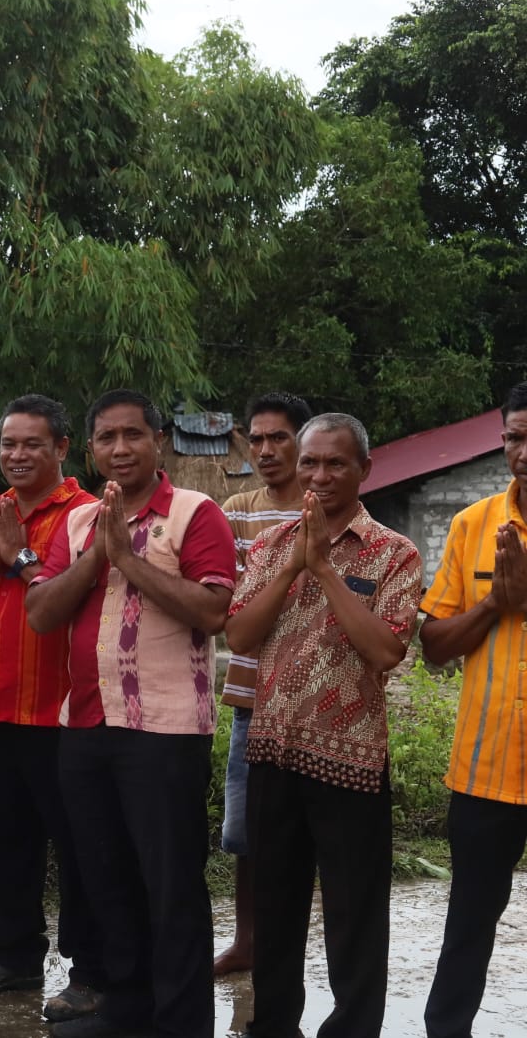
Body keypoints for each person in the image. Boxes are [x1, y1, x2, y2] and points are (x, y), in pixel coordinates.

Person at [26, 389, 236, 1038]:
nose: (121, 449)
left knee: (171, 889)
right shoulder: (79, 524)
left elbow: (210, 612)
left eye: (133, 435)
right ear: (90, 451)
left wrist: (128, 561)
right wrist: (100, 553)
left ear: (159, 442)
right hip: (86, 728)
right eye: (108, 438)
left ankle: (180, 1024)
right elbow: (41, 613)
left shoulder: (196, 515)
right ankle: (127, 1012)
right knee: (105, 882)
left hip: (165, 734)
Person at [227, 413, 420, 1038]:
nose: (320, 474)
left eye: (336, 463)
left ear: (364, 469)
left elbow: (386, 651)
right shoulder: (271, 548)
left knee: (354, 910)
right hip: (272, 751)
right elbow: (239, 636)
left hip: (352, 759)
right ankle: (274, 1025)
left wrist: (328, 571)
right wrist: (294, 567)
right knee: (276, 906)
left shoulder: (395, 553)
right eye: (310, 461)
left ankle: (353, 1027)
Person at [0, 394, 103, 1022]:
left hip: (64, 713)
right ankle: (14, 956)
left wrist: (19, 559)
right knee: (7, 843)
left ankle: (91, 970)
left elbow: (73, 593)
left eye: (31, 444)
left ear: (62, 448)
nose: (16, 455)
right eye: (8, 444)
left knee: (77, 847)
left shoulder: (88, 515)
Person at [422, 383, 527, 1038]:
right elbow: (433, 646)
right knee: (469, 924)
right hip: (487, 768)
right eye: (514, 437)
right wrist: (496, 604)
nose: (523, 451)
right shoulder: (472, 525)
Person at [214, 392, 311, 976]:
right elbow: (232, 602)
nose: (268, 449)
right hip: (253, 698)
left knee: (308, 830)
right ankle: (249, 942)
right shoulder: (236, 510)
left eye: (280, 437)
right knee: (246, 830)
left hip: (318, 702)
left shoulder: (330, 507)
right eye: (258, 438)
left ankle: (287, 947)